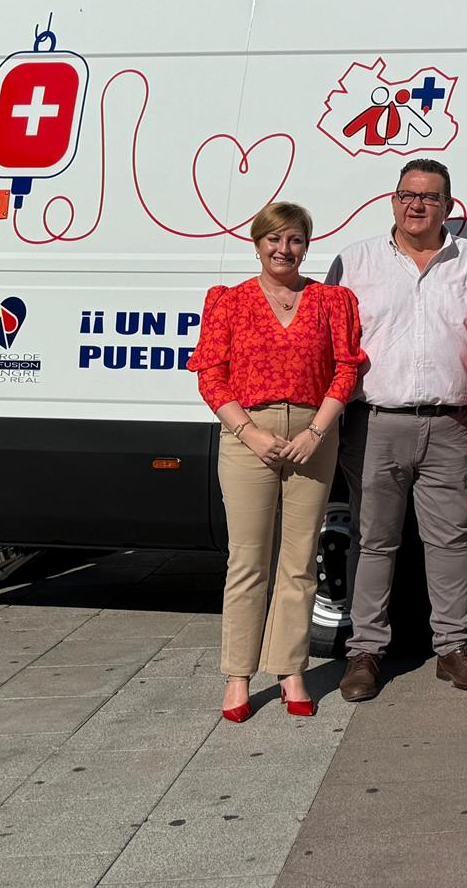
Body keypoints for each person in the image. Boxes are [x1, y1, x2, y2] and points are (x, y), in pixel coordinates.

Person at [328, 159, 467, 700]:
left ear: (449, 206)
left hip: (452, 424)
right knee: (374, 540)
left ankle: (453, 648)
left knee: (451, 541)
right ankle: (364, 653)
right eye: (407, 194)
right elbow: (330, 346)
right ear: (393, 200)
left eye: (429, 197)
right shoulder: (354, 263)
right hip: (376, 423)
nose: (416, 204)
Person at [189, 201, 362, 722]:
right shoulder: (230, 301)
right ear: (257, 242)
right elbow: (210, 376)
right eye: (274, 240)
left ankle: (291, 669)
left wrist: (316, 430)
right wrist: (250, 433)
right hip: (248, 435)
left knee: (300, 560)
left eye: (295, 240)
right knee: (247, 561)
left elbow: (347, 370)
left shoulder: (332, 301)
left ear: (307, 245)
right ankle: (238, 675)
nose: (284, 250)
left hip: (314, 434)